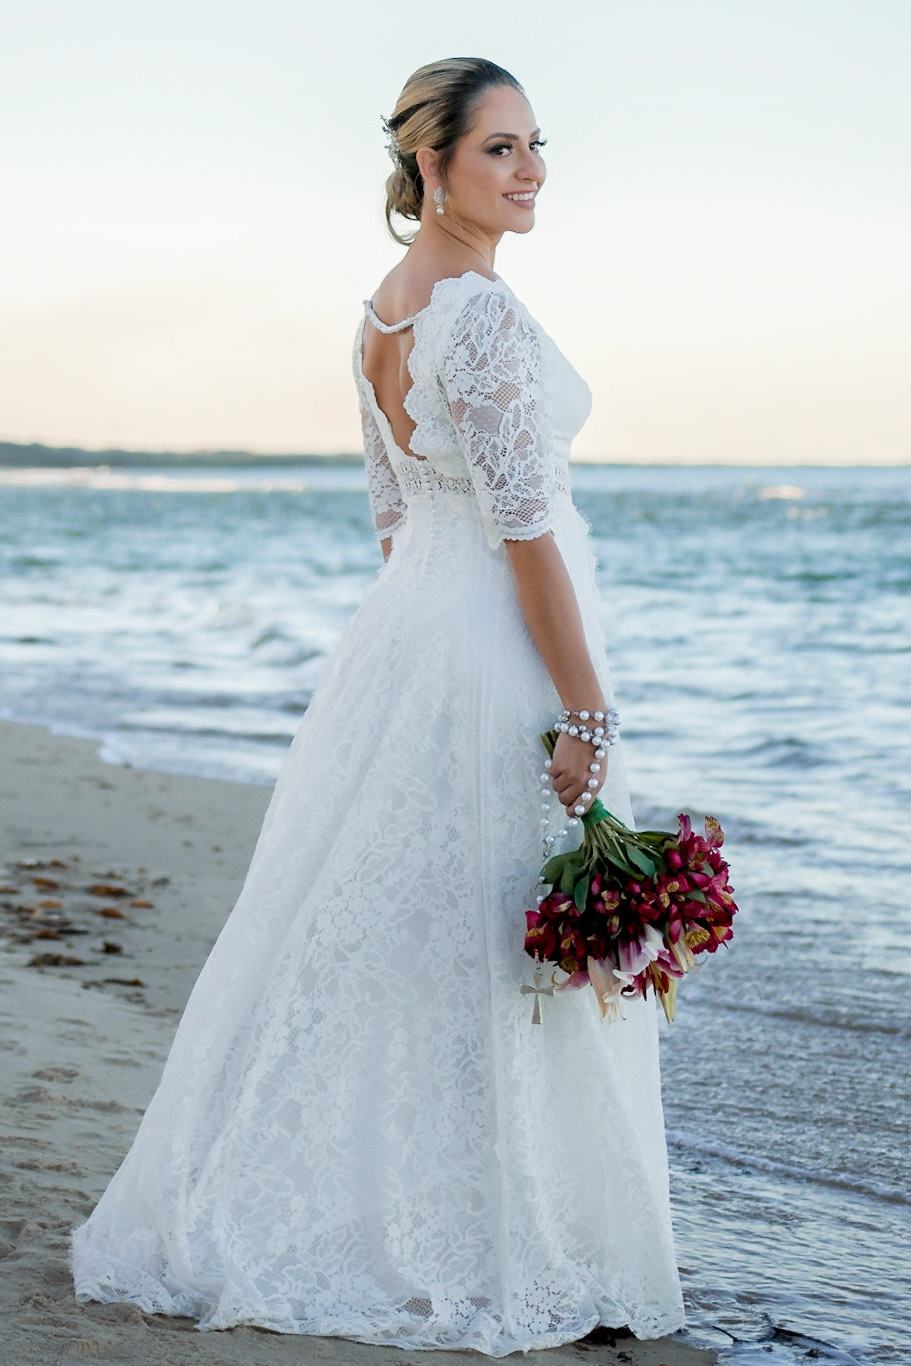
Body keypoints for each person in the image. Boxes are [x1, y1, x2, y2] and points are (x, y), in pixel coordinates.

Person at [70, 57, 687, 1354]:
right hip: (503, 651)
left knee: (417, 937)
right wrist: (586, 712)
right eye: (500, 149)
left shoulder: (380, 316)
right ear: (430, 164)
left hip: (410, 642)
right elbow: (525, 533)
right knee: (504, 950)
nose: (530, 171)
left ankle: (409, 1211)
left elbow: (397, 525)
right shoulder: (479, 316)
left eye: (536, 145)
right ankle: (506, 1242)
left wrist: (428, 657)